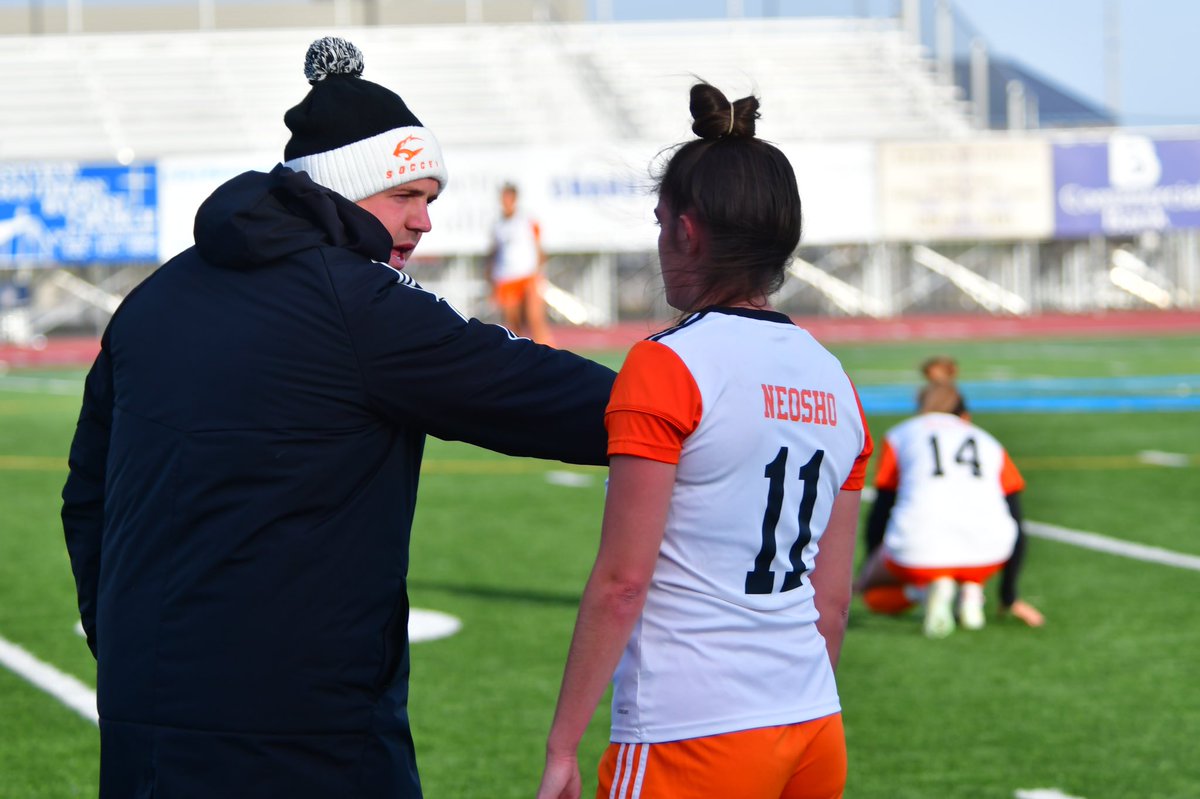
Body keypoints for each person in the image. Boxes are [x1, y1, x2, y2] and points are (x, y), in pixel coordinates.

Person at [60, 37, 616, 799]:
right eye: (407, 196)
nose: (424, 223)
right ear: (346, 189)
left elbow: (86, 493)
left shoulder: (152, 299)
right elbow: (534, 392)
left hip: (143, 714)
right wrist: (693, 394)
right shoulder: (357, 304)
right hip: (304, 727)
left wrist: (118, 637)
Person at [536, 83, 873, 799]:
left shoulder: (668, 364)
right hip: (813, 723)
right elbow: (832, 601)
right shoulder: (838, 381)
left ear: (688, 231)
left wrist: (563, 744)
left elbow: (623, 582)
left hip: (690, 728)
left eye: (661, 225)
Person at [854, 383, 1038, 637]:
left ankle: (922, 591)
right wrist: (1009, 596)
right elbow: (1016, 520)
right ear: (965, 415)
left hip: (916, 553)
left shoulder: (901, 435)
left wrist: (869, 566)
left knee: (872, 595)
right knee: (969, 550)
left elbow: (881, 508)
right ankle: (971, 590)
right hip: (989, 554)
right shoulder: (988, 441)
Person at [485, 182, 556, 345]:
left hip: (527, 275)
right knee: (514, 324)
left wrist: (538, 272)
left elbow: (539, 248)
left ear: (514, 198)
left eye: (508, 197)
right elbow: (493, 253)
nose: (505, 201)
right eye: (503, 198)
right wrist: (490, 278)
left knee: (535, 319)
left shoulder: (527, 220)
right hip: (506, 278)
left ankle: (551, 356)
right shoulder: (497, 225)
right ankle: (521, 362)